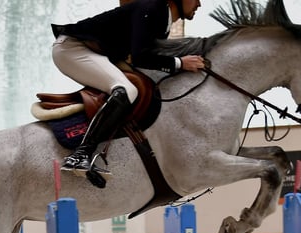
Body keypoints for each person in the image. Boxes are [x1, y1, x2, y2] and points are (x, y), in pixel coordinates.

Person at [51, 0, 206, 176]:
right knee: (126, 90)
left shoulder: (163, 18)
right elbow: (141, 57)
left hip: (91, 52)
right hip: (73, 49)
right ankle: (80, 155)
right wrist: (179, 63)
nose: (199, 4)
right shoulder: (153, 9)